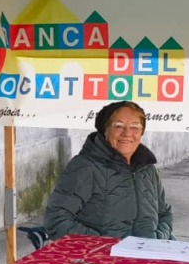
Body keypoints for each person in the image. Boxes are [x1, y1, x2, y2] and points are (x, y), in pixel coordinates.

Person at [44, 101, 174, 241]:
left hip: (148, 256)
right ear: (104, 130)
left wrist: (158, 238)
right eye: (118, 126)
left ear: (142, 132)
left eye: (135, 127)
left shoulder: (148, 169)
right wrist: (105, 245)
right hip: (101, 259)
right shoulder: (85, 167)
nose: (127, 133)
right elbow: (56, 220)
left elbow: (164, 213)